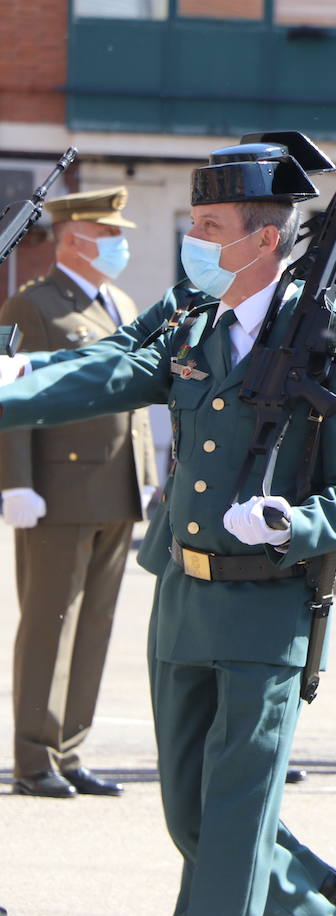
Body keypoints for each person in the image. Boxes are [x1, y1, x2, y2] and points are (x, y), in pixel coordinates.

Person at [0, 134, 336, 914]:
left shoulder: (331, 339)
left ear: (266, 238)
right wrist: (11, 384)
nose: (193, 241)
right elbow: (104, 373)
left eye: (209, 227)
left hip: (266, 608)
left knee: (236, 826)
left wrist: (294, 520)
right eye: (196, 224)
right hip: (182, 603)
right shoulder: (193, 329)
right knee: (193, 819)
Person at [0, 186, 157, 799]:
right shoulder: (30, 305)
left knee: (95, 624)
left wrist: (145, 469)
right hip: (58, 490)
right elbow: (10, 392)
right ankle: (34, 755)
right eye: (109, 235)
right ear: (74, 239)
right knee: (50, 623)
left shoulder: (119, 301)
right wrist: (15, 482)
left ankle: (70, 748)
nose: (119, 246)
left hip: (116, 486)